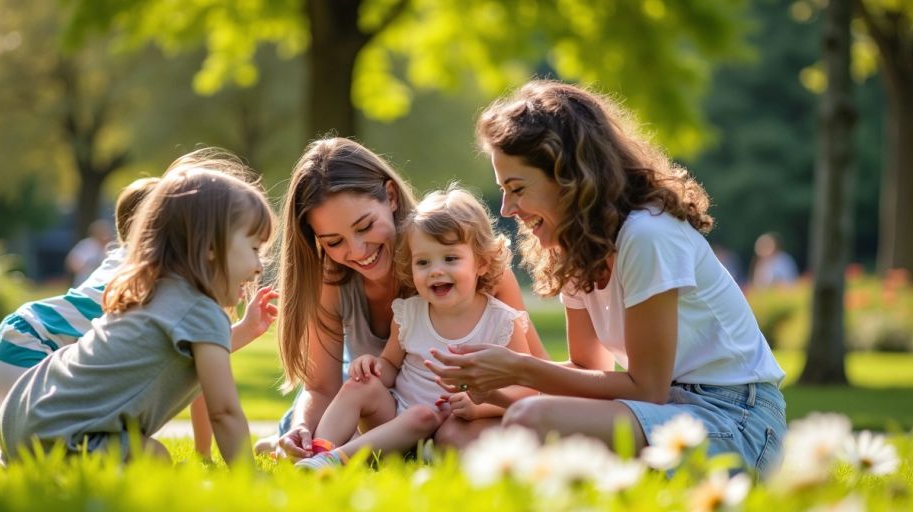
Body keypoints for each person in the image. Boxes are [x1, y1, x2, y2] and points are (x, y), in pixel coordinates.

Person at [427, 80, 787, 477]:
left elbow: (646, 386)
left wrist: (518, 370)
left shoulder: (648, 235)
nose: (508, 208)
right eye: (503, 190)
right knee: (461, 434)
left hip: (733, 418)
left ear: (568, 176)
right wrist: (495, 392)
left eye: (517, 189)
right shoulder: (575, 247)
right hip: (660, 410)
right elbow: (586, 366)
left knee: (528, 420)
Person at [265, 137, 549, 459]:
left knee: (457, 438)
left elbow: (536, 372)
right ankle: (285, 433)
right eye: (333, 242)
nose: (357, 251)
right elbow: (320, 388)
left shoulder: (471, 267)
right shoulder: (332, 281)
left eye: (365, 226)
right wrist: (300, 427)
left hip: (443, 418)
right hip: (367, 408)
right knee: (317, 417)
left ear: (390, 197)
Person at [0, 149, 278, 465]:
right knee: (154, 457)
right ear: (211, 247)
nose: (258, 266)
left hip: (22, 416)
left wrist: (246, 329)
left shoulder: (150, 289)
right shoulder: (201, 309)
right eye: (254, 248)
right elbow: (224, 411)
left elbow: (191, 357)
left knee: (145, 449)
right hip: (62, 437)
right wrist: (249, 477)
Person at [0, 177, 172, 463]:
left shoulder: (113, 258)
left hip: (17, 335)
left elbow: (0, 393)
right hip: (33, 348)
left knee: (22, 409)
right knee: (119, 448)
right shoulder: (151, 272)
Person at [295, 186, 532, 469]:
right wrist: (373, 366)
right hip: (395, 417)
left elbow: (527, 389)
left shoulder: (502, 321)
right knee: (360, 384)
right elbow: (391, 366)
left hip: (453, 424)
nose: (435, 270)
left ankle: (341, 458)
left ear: (480, 262)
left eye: (450, 258)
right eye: (423, 262)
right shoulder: (409, 313)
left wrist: (480, 407)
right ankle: (317, 452)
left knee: (424, 417)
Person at [66, 219, 113, 286]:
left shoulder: (111, 248)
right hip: (84, 284)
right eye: (101, 233)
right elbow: (72, 263)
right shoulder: (86, 245)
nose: (105, 236)